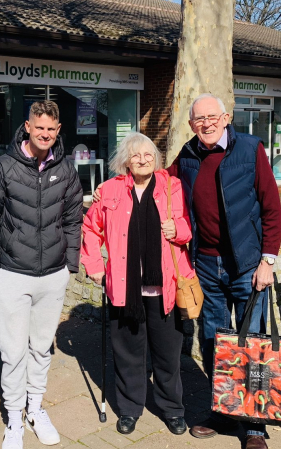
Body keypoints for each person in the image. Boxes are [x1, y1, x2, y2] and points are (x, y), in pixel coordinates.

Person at [94, 93, 281, 449]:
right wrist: (117, 188)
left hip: (247, 265)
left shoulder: (250, 149)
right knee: (214, 341)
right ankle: (223, 410)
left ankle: (255, 425)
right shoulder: (190, 154)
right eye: (199, 120)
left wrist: (268, 261)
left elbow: (272, 207)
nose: (206, 124)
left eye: (212, 117)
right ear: (192, 124)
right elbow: (155, 179)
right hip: (206, 265)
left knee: (252, 343)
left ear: (226, 118)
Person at [0, 100, 83, 449]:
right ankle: (14, 419)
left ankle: (35, 408)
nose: (46, 134)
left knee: (40, 349)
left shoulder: (66, 169)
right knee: (13, 353)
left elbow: (72, 219)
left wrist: (70, 265)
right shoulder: (4, 167)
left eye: (52, 129)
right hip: (12, 273)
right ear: (27, 126)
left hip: (52, 275)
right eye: (40, 128)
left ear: (58, 131)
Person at [81, 132, 194, 436]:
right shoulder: (110, 191)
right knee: (128, 353)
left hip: (165, 288)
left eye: (148, 155)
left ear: (156, 158)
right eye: (135, 155)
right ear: (125, 161)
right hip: (125, 288)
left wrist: (178, 229)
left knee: (167, 354)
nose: (142, 160)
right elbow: (91, 228)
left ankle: (172, 409)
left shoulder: (173, 187)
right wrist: (93, 265)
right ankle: (129, 409)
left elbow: (190, 224)